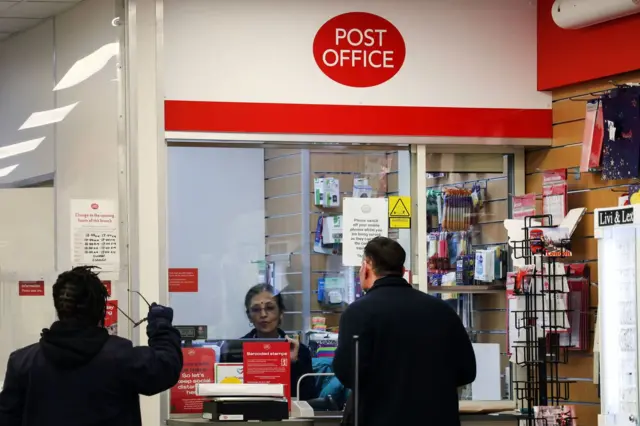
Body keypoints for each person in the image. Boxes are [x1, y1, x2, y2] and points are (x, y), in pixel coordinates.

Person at [0, 266, 184, 426]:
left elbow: (7, 419)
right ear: (100, 310)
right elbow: (166, 366)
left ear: (59, 307)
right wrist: (160, 325)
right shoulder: (120, 357)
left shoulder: (22, 362)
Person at [333, 237, 476, 426]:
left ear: (367, 266)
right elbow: (467, 372)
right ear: (402, 271)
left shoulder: (358, 313)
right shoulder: (442, 311)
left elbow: (347, 373)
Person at [240, 283, 315, 401]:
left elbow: (308, 398)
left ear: (281, 313)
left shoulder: (299, 350)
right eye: (256, 310)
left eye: (270, 308)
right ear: (249, 316)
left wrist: (293, 364)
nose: (263, 315)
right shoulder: (237, 349)